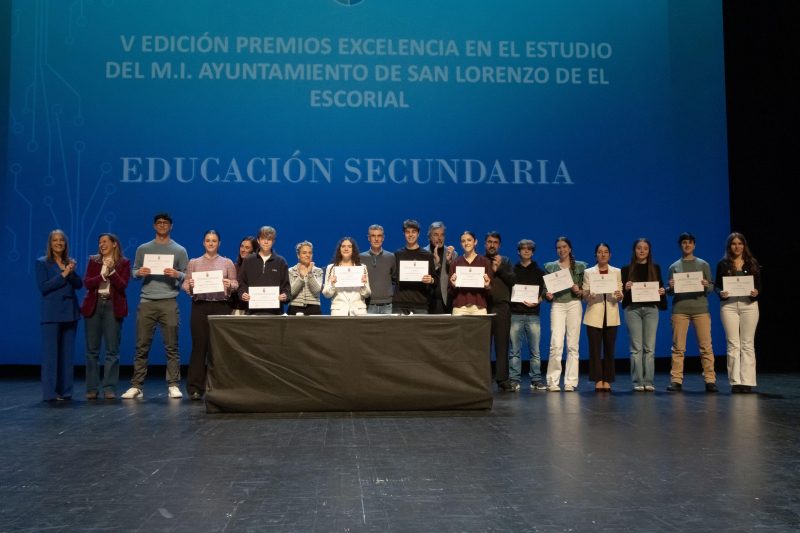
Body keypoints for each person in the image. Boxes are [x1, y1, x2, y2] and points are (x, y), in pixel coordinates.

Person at [121, 213, 189, 400]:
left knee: (172, 346)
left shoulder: (179, 250)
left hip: (169, 300)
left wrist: (177, 274)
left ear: (171, 226)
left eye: (165, 223)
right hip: (147, 301)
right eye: (159, 223)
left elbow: (187, 276)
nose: (162, 225)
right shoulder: (144, 249)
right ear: (153, 226)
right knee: (141, 346)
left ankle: (173, 384)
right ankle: (137, 386)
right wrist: (139, 272)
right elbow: (134, 272)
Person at [182, 230, 238, 401]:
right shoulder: (194, 262)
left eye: (214, 240)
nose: (211, 243)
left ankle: (221, 385)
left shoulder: (227, 262)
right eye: (208, 240)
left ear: (219, 243)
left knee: (219, 348)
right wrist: (190, 285)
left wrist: (230, 284)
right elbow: (185, 284)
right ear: (203, 243)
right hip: (200, 307)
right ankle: (195, 388)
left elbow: (235, 283)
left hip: (221, 306)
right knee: (199, 347)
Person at [80, 233, 130, 400]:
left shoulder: (123, 263)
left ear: (114, 244)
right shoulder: (94, 261)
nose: (102, 244)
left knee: (112, 350)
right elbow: (87, 282)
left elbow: (122, 285)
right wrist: (102, 275)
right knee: (92, 351)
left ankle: (109, 387)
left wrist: (112, 272)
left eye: (105, 242)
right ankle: (92, 388)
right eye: (100, 242)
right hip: (94, 306)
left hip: (112, 306)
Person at [667, 232, 717, 393]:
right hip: (680, 310)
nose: (687, 245)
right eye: (684, 243)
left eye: (689, 242)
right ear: (680, 245)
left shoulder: (703, 265)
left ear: (694, 245)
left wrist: (705, 284)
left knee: (705, 347)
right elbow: (669, 292)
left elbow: (711, 287)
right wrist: (671, 287)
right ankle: (676, 380)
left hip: (700, 309)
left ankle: (710, 380)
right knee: (678, 348)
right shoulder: (674, 267)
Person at [36, 229, 82, 401]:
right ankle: (50, 393)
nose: (59, 243)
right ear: (50, 243)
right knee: (51, 357)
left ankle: (66, 391)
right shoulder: (42, 263)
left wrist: (71, 271)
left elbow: (79, 284)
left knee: (67, 356)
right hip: (52, 314)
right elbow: (44, 287)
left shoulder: (68, 262)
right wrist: (63, 274)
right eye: (55, 240)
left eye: (61, 240)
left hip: (70, 313)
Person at [715, 232, 761, 393]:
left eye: (740, 243)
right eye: (734, 244)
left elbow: (759, 286)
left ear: (744, 245)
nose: (737, 246)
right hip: (729, 306)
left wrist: (756, 292)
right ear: (729, 246)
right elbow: (717, 286)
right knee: (733, 344)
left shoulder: (752, 263)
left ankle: (747, 381)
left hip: (749, 306)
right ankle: (735, 381)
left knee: (747, 344)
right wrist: (720, 292)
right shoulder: (723, 264)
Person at [621, 238, 666, 392]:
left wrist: (662, 291)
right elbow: (620, 293)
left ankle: (649, 380)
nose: (642, 251)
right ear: (634, 250)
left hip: (651, 310)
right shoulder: (626, 269)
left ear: (649, 251)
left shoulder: (655, 268)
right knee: (636, 348)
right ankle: (637, 381)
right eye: (639, 248)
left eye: (645, 248)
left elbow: (660, 287)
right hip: (633, 310)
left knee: (649, 348)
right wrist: (625, 288)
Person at [543, 236, 587, 392]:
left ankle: (570, 381)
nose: (561, 250)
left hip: (574, 304)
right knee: (556, 344)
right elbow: (544, 291)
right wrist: (547, 295)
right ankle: (552, 381)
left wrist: (579, 291)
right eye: (558, 247)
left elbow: (585, 290)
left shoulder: (580, 267)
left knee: (573, 345)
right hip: (558, 305)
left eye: (564, 247)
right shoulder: (550, 267)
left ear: (570, 249)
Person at [582, 243, 623, 392]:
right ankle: (598, 379)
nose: (603, 254)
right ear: (596, 255)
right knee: (594, 349)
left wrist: (620, 295)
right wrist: (589, 295)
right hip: (594, 314)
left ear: (610, 255)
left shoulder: (617, 271)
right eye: (600, 252)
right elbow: (585, 294)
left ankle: (607, 379)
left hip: (611, 313)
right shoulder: (589, 272)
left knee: (609, 349)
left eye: (606, 252)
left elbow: (620, 292)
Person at [509, 239, 547, 391]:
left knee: (535, 351)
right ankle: (514, 380)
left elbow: (544, 291)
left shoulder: (539, 272)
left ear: (532, 252)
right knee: (514, 351)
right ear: (518, 252)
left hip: (533, 315)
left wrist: (537, 301)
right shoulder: (512, 270)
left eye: (529, 249)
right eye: (523, 249)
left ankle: (536, 380)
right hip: (515, 314)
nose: (526, 251)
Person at [485, 231, 518, 392]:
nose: (492, 245)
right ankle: (483, 378)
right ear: (485, 244)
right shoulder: (480, 260)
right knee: (483, 345)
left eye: (495, 242)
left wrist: (499, 270)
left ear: (500, 245)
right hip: (484, 307)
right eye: (489, 242)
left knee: (502, 344)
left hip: (502, 307)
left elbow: (513, 281)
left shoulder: (505, 261)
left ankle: (502, 379)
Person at [237, 226, 290, 315]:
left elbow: (286, 287)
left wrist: (285, 296)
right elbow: (242, 284)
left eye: (269, 239)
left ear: (273, 241)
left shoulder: (281, 262)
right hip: (252, 312)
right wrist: (243, 294)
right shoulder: (248, 261)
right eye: (263, 239)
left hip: (275, 314)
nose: (266, 242)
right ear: (258, 240)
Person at [393, 219, 436, 314]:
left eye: (414, 232)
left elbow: (435, 279)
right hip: (400, 304)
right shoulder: (397, 254)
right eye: (407, 232)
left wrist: (431, 280)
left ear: (418, 234)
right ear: (404, 234)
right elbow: (393, 278)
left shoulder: (427, 255)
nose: (410, 235)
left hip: (420, 304)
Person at [322, 237, 371, 316]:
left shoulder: (362, 268)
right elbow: (326, 294)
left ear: (353, 249)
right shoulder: (331, 268)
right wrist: (332, 284)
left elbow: (367, 294)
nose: (346, 248)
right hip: (338, 312)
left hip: (358, 312)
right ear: (339, 249)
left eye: (349, 246)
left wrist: (363, 285)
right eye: (343, 246)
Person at [448, 231, 492, 315]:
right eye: (463, 241)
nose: (466, 243)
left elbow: (490, 290)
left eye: (469, 240)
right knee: (458, 328)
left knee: (480, 329)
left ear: (475, 242)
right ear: (461, 244)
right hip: (460, 307)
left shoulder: (485, 262)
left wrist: (487, 286)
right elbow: (450, 291)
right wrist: (453, 285)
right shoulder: (455, 262)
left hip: (479, 307)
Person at [361, 224, 395, 314]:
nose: (376, 239)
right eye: (373, 236)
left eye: (379, 236)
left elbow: (395, 280)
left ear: (383, 238)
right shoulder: (360, 258)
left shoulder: (391, 257)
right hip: (368, 305)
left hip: (388, 305)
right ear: (368, 238)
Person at [424, 221, 457, 314]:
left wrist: (449, 262)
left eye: (442, 235)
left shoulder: (453, 254)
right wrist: (436, 264)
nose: (439, 238)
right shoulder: (423, 253)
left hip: (446, 302)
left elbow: (454, 278)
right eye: (436, 235)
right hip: (427, 301)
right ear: (430, 237)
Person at [288, 241, 324, 315]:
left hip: (314, 308)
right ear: (298, 255)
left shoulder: (318, 271)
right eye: (304, 253)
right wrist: (301, 277)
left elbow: (317, 290)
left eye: (310, 253)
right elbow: (291, 293)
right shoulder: (291, 271)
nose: (307, 255)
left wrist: (310, 273)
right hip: (294, 308)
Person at [229, 236, 257, 315]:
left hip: (253, 310)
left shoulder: (258, 269)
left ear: (254, 250)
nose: (243, 250)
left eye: (247, 247)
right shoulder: (234, 267)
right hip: (236, 309)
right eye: (241, 246)